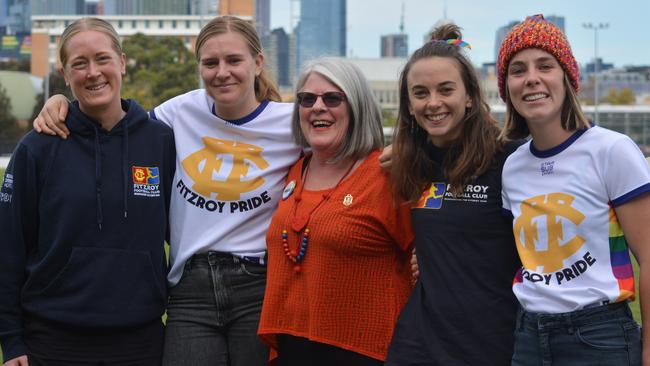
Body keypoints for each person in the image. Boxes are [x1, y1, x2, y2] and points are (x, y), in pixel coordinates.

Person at [33, 16, 302, 366]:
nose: (222, 72)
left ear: (258, 62)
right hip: (190, 289)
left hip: (257, 287)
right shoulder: (180, 111)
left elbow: (345, 141)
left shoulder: (293, 124)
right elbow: (116, 123)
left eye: (234, 60)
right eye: (210, 63)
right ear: (199, 68)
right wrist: (61, 101)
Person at [0, 18, 175, 366]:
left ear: (122, 62)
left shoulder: (161, 141)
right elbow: (8, 249)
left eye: (102, 58)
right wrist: (12, 340)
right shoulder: (38, 148)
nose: (93, 72)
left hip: (140, 341)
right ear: (65, 74)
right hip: (52, 343)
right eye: (80, 64)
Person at [498, 14, 650, 366]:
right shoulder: (513, 167)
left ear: (567, 77)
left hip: (599, 338)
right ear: (507, 88)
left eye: (545, 66)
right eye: (518, 70)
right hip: (529, 338)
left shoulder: (612, 150)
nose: (531, 79)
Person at [257, 57, 413, 366]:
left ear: (357, 107)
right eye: (306, 99)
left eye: (332, 98)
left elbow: (425, 262)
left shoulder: (387, 175)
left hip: (365, 353)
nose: (317, 107)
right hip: (293, 350)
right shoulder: (292, 172)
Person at [385, 23, 522, 365]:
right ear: (408, 102)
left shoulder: (510, 160)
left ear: (470, 97)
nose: (433, 103)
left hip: (492, 344)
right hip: (417, 345)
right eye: (420, 93)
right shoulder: (408, 164)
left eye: (446, 89)